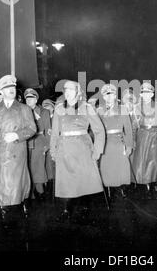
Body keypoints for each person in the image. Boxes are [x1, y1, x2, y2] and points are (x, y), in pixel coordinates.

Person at [0, 75, 36, 224]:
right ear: (1, 91)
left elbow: (32, 129)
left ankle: (14, 221)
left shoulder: (24, 109)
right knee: (0, 192)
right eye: (7, 88)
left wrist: (17, 135)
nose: (11, 90)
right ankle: (5, 221)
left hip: (16, 153)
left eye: (13, 87)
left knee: (14, 191)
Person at [50, 80, 105, 222]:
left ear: (78, 92)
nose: (67, 92)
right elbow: (55, 133)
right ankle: (66, 210)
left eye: (70, 89)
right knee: (66, 182)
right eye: (65, 90)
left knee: (84, 181)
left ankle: (85, 210)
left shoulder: (87, 108)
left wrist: (97, 151)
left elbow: (99, 131)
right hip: (64, 150)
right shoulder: (59, 109)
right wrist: (53, 151)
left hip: (83, 150)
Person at [132, 83, 157, 199]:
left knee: (153, 163)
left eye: (148, 93)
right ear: (141, 95)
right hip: (142, 137)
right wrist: (133, 141)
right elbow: (134, 126)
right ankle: (146, 187)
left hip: (154, 137)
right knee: (141, 164)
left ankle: (155, 187)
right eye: (144, 93)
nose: (146, 95)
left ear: (152, 94)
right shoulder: (137, 107)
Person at [97, 84, 133, 200]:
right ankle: (109, 191)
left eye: (111, 95)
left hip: (118, 142)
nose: (109, 98)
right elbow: (96, 130)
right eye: (106, 95)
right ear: (103, 97)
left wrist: (129, 146)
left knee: (121, 167)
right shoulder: (99, 110)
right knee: (106, 168)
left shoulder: (122, 109)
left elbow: (128, 129)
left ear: (114, 96)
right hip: (105, 143)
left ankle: (122, 190)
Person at [24, 88, 50, 199]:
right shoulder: (22, 111)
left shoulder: (44, 112)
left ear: (36, 100)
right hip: (25, 142)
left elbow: (48, 130)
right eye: (27, 98)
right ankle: (29, 192)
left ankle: (39, 192)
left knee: (38, 169)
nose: (29, 101)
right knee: (27, 168)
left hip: (39, 142)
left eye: (32, 98)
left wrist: (47, 145)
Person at [42, 99, 55, 195]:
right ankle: (50, 189)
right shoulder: (42, 119)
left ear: (53, 107)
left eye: (48, 105)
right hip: (46, 145)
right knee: (48, 167)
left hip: (56, 146)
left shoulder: (57, 118)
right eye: (44, 106)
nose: (46, 108)